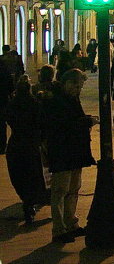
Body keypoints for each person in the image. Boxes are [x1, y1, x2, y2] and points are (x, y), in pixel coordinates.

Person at [42, 68, 95, 243]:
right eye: (76, 86)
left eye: (80, 87)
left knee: (74, 188)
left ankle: (71, 222)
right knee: (60, 190)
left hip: (75, 150)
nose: (78, 90)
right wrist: (86, 121)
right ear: (67, 83)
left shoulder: (71, 98)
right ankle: (59, 229)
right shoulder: (55, 100)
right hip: (62, 151)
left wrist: (85, 120)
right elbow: (62, 125)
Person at [6, 75, 50, 224]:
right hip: (31, 144)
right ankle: (31, 202)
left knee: (19, 175)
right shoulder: (35, 104)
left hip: (16, 143)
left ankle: (27, 200)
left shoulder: (12, 105)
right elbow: (42, 123)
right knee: (33, 174)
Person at [0, 59, 12, 154]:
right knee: (2, 123)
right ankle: (2, 145)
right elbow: (10, 87)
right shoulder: (5, 71)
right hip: (3, 100)